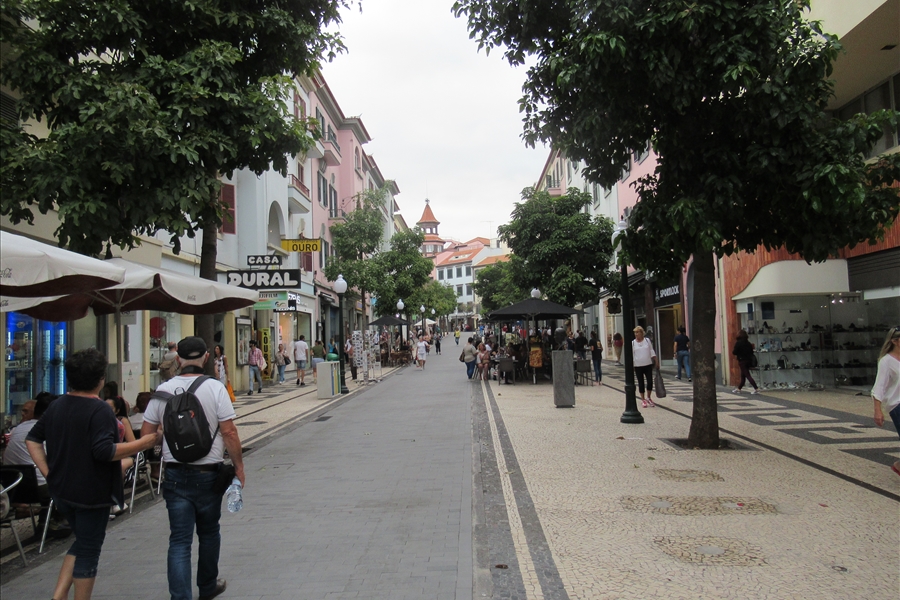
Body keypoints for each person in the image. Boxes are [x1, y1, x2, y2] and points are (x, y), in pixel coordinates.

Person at [26, 348, 161, 600]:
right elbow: (104, 451)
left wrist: (49, 472)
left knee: (82, 541)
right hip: (91, 491)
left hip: (63, 490)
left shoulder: (57, 406)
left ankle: (59, 595)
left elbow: (32, 439)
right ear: (101, 380)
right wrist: (143, 443)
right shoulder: (99, 410)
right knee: (89, 549)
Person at [141, 336, 244, 600]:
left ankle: (181, 597)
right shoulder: (215, 388)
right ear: (206, 357)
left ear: (178, 359)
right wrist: (239, 467)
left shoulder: (162, 391)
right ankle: (207, 587)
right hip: (209, 474)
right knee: (209, 533)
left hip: (175, 474)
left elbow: (146, 435)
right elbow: (229, 432)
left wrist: (165, 436)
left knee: (179, 540)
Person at [872, 326, 900, 476]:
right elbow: (879, 387)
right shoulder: (886, 361)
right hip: (897, 405)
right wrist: (878, 410)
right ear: (895, 341)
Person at [632, 326, 658, 408]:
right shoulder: (633, 343)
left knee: (650, 381)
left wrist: (656, 360)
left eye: (637, 332)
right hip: (638, 365)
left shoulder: (647, 340)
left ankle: (648, 397)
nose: (636, 334)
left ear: (641, 333)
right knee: (641, 382)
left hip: (647, 364)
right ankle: (643, 399)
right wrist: (632, 365)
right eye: (635, 333)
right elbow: (632, 354)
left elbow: (651, 350)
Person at [732, 330, 760, 395]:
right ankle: (739, 388)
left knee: (747, 375)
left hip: (742, 360)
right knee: (743, 375)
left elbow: (734, 352)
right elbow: (751, 352)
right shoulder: (748, 343)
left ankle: (756, 388)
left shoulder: (738, 343)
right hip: (749, 360)